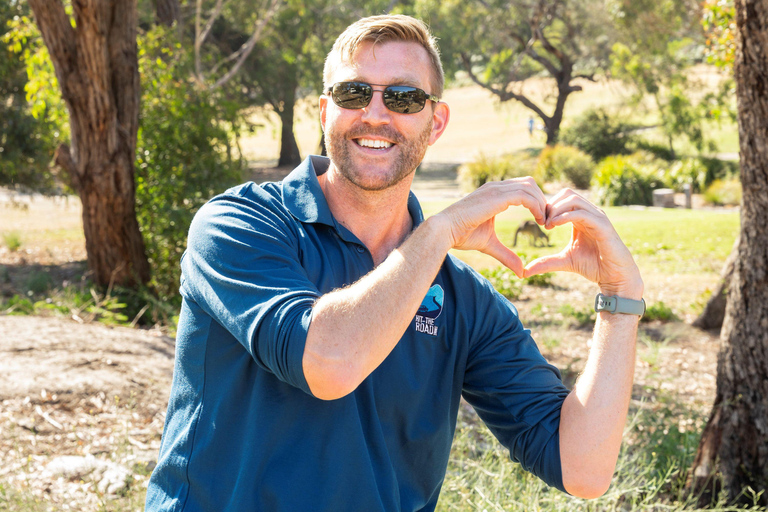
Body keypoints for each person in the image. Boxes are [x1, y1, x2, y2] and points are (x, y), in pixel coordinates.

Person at [145, 14, 644, 512]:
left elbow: (582, 468)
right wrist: (441, 230)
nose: (375, 114)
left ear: (436, 122)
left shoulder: (463, 301)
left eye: (404, 98)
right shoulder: (239, 225)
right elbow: (329, 363)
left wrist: (620, 300)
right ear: (325, 112)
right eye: (353, 93)